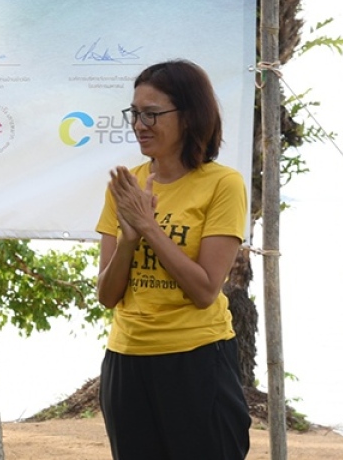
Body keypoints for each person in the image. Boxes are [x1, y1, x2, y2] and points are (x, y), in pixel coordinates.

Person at [95, 59, 251, 460]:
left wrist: (149, 228)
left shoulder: (223, 184)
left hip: (196, 360)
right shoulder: (125, 186)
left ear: (189, 115)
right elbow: (107, 296)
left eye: (152, 114)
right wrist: (128, 240)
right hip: (127, 361)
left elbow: (205, 289)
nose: (139, 125)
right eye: (135, 113)